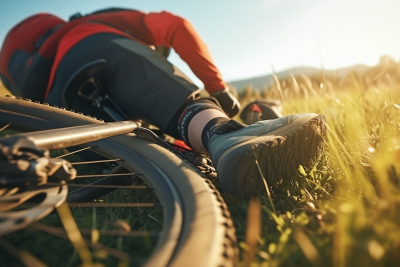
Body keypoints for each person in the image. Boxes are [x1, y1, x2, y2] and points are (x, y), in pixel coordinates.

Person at [0, 8, 326, 196]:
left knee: (120, 149)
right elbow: (177, 26)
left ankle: (152, 165)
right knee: (180, 108)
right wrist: (217, 87)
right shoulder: (91, 23)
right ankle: (223, 135)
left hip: (58, 101)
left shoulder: (34, 77)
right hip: (99, 49)